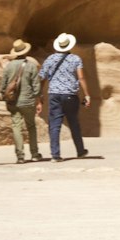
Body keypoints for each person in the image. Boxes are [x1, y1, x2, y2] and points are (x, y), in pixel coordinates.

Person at [39, 32, 92, 161]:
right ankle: (80, 151)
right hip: (70, 95)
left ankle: (55, 155)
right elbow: (81, 77)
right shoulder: (75, 59)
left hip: (54, 94)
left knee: (54, 125)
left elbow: (41, 77)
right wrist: (87, 95)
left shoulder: (50, 59)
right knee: (74, 123)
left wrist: (40, 94)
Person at [0, 38, 46, 164]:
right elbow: (36, 86)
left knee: (16, 127)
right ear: (26, 52)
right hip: (28, 101)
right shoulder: (31, 66)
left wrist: (4, 96)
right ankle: (35, 153)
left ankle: (20, 156)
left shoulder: (9, 66)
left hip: (13, 102)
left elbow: (3, 85)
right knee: (31, 127)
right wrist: (39, 100)